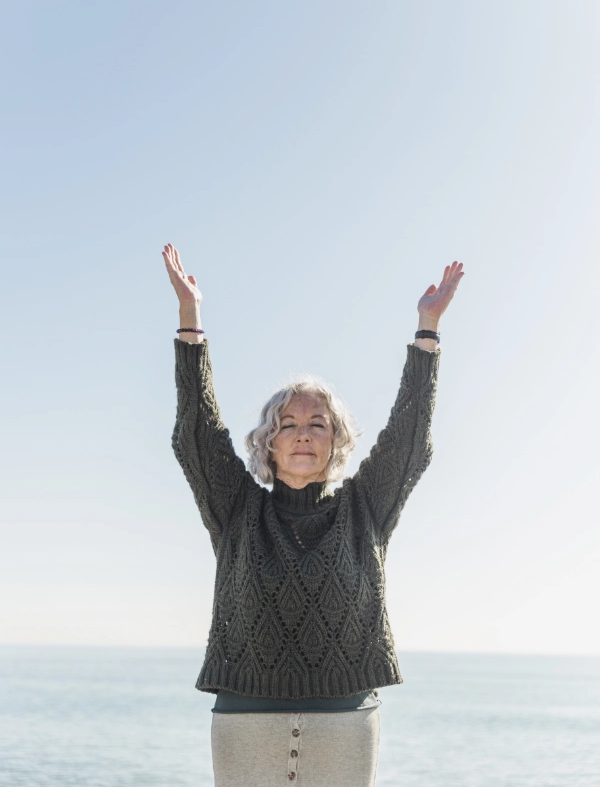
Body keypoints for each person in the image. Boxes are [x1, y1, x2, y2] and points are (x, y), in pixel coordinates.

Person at [162, 243, 464, 787]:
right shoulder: (237, 508)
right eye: (288, 423)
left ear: (335, 440)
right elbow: (196, 435)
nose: (303, 431)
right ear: (269, 443)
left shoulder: (364, 508)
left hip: (345, 723)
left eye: (318, 423)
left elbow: (409, 440)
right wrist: (191, 320)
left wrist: (427, 330)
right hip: (244, 721)